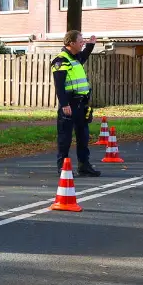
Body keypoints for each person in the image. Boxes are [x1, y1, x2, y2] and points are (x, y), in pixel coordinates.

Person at [52, 30, 101, 177]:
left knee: (83, 136)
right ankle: (63, 168)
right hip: (69, 104)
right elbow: (59, 85)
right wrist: (65, 104)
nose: (83, 43)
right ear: (71, 43)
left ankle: (84, 166)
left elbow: (84, 55)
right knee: (65, 138)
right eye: (81, 41)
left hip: (81, 104)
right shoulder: (61, 60)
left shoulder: (75, 58)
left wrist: (91, 45)